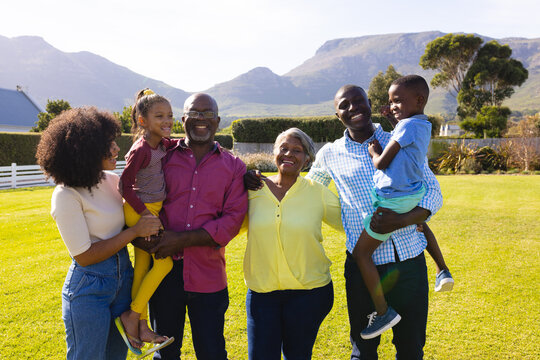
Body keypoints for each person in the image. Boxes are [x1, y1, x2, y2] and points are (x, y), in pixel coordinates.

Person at [305, 85, 443, 359]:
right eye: (345, 105)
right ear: (337, 115)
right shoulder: (330, 154)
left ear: (370, 104)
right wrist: (262, 185)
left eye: (359, 101)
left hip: (409, 263)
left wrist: (402, 219)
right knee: (363, 350)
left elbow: (434, 192)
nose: (353, 107)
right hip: (362, 270)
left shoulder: (400, 138)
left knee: (411, 348)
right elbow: (306, 191)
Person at [36, 107, 162, 359]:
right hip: (89, 289)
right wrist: (136, 230)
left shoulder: (112, 180)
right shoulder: (66, 195)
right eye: (107, 145)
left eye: (114, 142)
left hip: (123, 280)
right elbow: (84, 256)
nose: (116, 149)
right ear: (83, 151)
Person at [132, 93, 248, 359]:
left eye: (208, 114)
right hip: (162, 274)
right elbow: (136, 193)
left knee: (212, 352)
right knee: (165, 352)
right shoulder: (160, 155)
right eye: (194, 113)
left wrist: (180, 240)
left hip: (208, 275)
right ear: (183, 119)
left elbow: (230, 223)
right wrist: (139, 237)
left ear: (217, 121)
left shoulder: (234, 167)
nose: (201, 120)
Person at [350, 75, 453, 340]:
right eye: (390, 101)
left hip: (394, 202)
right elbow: (403, 135)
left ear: (419, 100)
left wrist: (374, 151)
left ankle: (383, 312)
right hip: (408, 194)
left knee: (361, 254)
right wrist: (394, 117)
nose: (393, 106)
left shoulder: (402, 129)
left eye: (398, 101)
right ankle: (442, 269)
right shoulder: (419, 125)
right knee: (420, 223)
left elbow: (382, 163)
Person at [242, 128, 343, 360]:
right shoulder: (252, 189)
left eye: (297, 150)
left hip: (309, 295)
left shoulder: (317, 193)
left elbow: (351, 223)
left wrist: (399, 220)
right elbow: (226, 224)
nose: (289, 154)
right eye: (283, 148)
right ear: (274, 152)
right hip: (262, 294)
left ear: (307, 158)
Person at [116, 88, 174, 352]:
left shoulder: (160, 143)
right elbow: (124, 186)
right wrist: (146, 215)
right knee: (164, 265)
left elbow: (174, 144)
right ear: (143, 121)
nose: (168, 121)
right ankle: (132, 315)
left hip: (149, 209)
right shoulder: (141, 149)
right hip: (141, 211)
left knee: (142, 267)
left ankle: (141, 326)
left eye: (170, 116)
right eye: (160, 116)